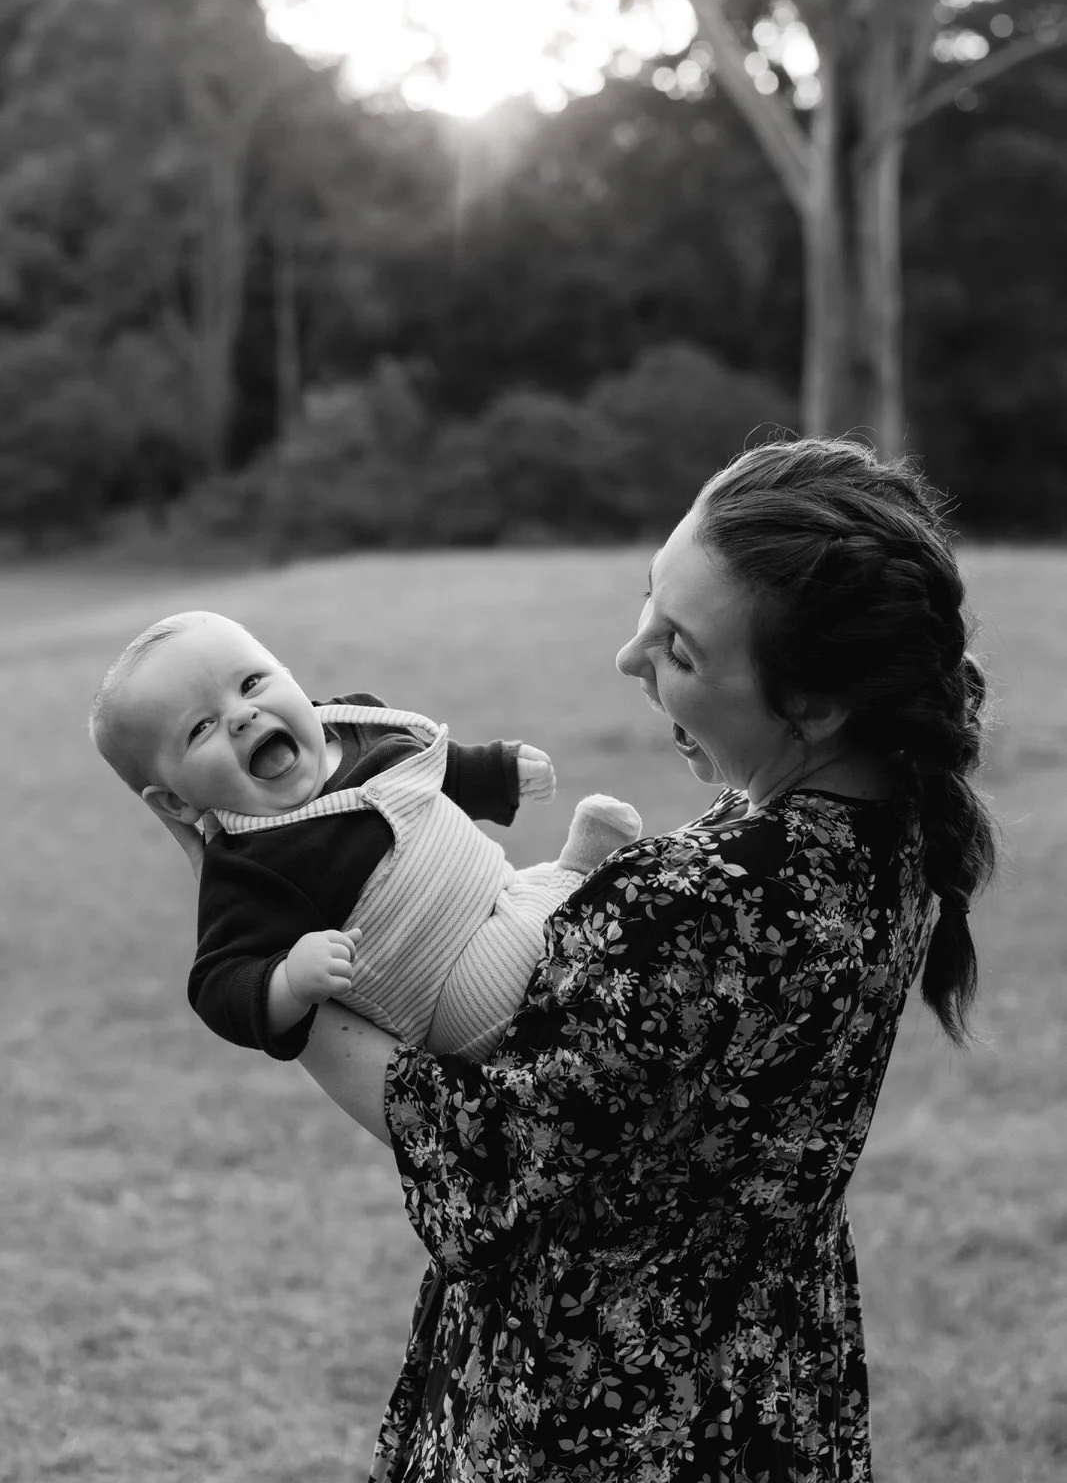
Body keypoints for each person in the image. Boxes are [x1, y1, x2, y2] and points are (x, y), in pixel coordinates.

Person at [165, 437, 997, 1480]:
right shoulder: (897, 838)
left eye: (679, 649)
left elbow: (482, 1164)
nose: (628, 655)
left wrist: (279, 954)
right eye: (647, 601)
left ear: (816, 705)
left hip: (598, 1413)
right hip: (775, 1380)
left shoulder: (687, 901)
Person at [89, 611, 641, 1063]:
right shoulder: (249, 864)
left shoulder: (360, 726)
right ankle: (582, 888)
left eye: (251, 682)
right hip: (458, 994)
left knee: (536, 893)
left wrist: (496, 772)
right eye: (200, 727)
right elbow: (217, 985)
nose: (240, 715)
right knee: (530, 946)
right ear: (176, 803)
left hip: (502, 894)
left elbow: (431, 773)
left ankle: (573, 876)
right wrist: (288, 981)